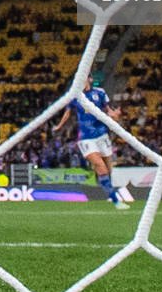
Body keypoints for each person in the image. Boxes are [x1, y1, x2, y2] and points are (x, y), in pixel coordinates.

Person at [54, 72, 127, 209]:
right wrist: (59, 126)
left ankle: (110, 194)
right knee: (100, 166)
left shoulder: (99, 93)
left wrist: (115, 116)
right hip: (86, 138)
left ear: (90, 79)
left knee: (108, 168)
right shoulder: (75, 95)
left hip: (102, 135)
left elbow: (108, 111)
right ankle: (115, 200)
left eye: (84, 78)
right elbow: (67, 112)